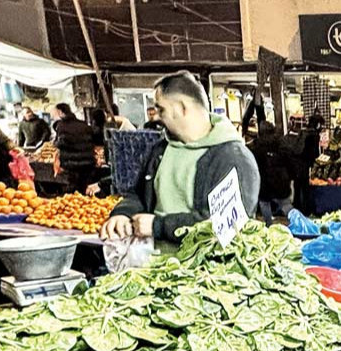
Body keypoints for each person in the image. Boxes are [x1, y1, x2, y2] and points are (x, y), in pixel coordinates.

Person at [102, 71, 259, 245]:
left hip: (205, 262)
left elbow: (227, 226)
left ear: (182, 108)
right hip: (152, 259)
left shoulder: (233, 159)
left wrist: (158, 226)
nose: (157, 117)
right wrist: (123, 213)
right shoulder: (160, 150)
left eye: (161, 109)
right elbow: (138, 194)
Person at [250, 121, 294, 224]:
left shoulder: (256, 146)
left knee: (264, 203)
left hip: (264, 181)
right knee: (285, 204)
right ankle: (297, 223)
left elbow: (253, 165)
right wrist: (290, 176)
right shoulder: (281, 142)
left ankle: (269, 225)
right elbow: (289, 161)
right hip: (281, 179)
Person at [51, 103, 98, 194]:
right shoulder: (84, 124)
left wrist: (55, 143)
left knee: (74, 191)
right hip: (88, 163)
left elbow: (61, 143)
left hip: (72, 165)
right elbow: (92, 141)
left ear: (60, 112)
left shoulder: (62, 126)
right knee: (87, 189)